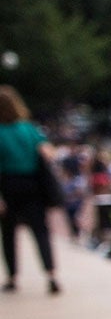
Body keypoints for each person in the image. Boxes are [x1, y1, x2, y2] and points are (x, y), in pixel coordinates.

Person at [0, 85, 60, 294]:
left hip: (7, 186)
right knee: (40, 231)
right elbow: (48, 153)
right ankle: (51, 274)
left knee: (8, 234)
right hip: (33, 185)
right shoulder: (29, 129)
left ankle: (12, 276)